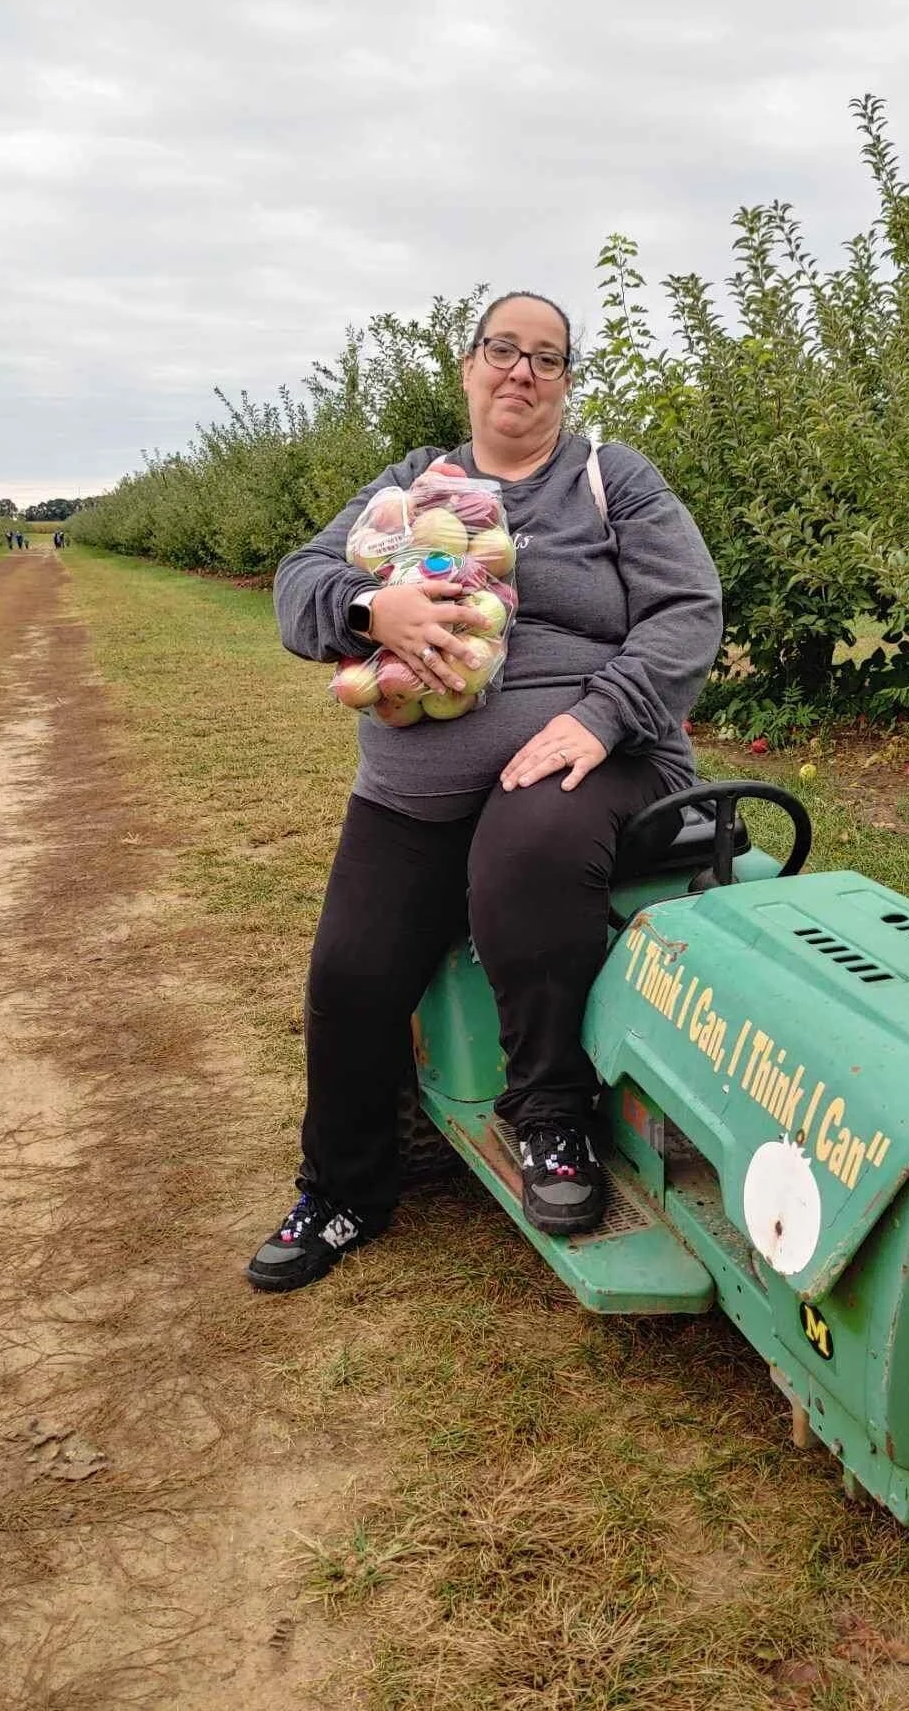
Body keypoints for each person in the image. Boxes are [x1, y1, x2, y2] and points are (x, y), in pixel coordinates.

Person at [247, 292, 723, 1292]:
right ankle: (343, 1189)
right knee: (350, 974)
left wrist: (598, 715)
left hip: (600, 750)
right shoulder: (409, 487)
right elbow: (299, 581)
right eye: (502, 350)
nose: (522, 371)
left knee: (529, 846)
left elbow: (688, 611)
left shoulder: (609, 479)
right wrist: (373, 605)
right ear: (466, 367)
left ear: (565, 382)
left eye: (546, 358)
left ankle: (551, 1117)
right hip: (416, 784)